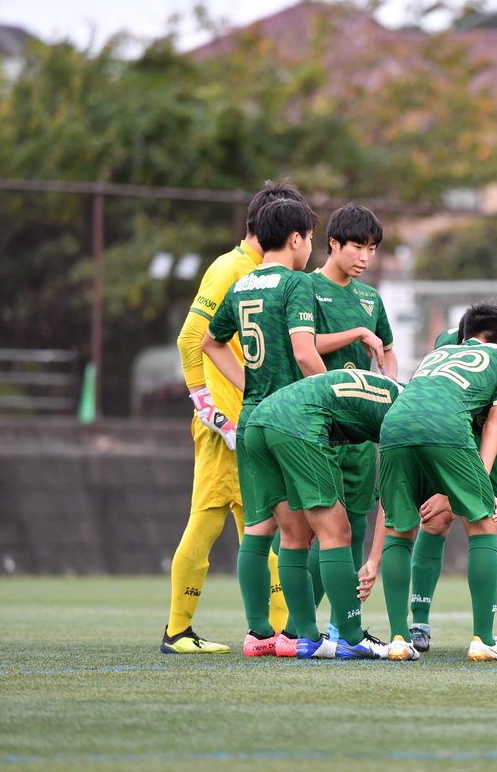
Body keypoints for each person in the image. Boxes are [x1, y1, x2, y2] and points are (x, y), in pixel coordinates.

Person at [160, 181, 307, 656]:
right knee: (208, 523)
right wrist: (207, 404)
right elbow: (191, 338)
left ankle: (276, 633)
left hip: (252, 421)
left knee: (262, 530)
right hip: (227, 426)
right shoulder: (230, 268)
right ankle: (177, 631)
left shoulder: (261, 272)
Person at [202, 196, 326, 658]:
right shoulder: (296, 285)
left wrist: (247, 382)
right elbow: (303, 352)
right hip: (291, 416)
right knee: (304, 532)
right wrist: (337, 391)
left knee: (257, 528)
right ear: (296, 239)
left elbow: (211, 343)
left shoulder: (244, 283)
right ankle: (298, 635)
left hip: (251, 416)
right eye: (311, 239)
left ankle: (257, 634)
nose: (311, 248)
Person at [376, 303, 497, 662]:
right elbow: (495, 423)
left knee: (398, 529)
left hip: (394, 425)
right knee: (484, 524)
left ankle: (398, 638)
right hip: (446, 427)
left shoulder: (440, 351)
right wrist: (483, 485)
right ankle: (484, 640)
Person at [408, 318, 497, 655]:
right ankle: (419, 624)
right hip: (454, 435)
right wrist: (447, 490)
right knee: (436, 517)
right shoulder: (446, 343)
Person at [243, 369, 402, 659]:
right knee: (337, 532)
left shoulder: (395, 394)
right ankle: (353, 639)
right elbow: (394, 494)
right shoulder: (410, 413)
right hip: (297, 423)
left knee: (294, 536)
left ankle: (307, 639)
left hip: (259, 421)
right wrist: (374, 559)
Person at [307, 204, 396, 641]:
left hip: (362, 432)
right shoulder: (306, 289)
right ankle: (297, 625)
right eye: (358, 246)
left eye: (373, 248)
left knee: (357, 523)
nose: (366, 256)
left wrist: (393, 392)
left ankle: (343, 627)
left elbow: (389, 349)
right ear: (333, 244)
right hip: (320, 428)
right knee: (320, 530)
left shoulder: (370, 298)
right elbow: (305, 346)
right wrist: (358, 334)